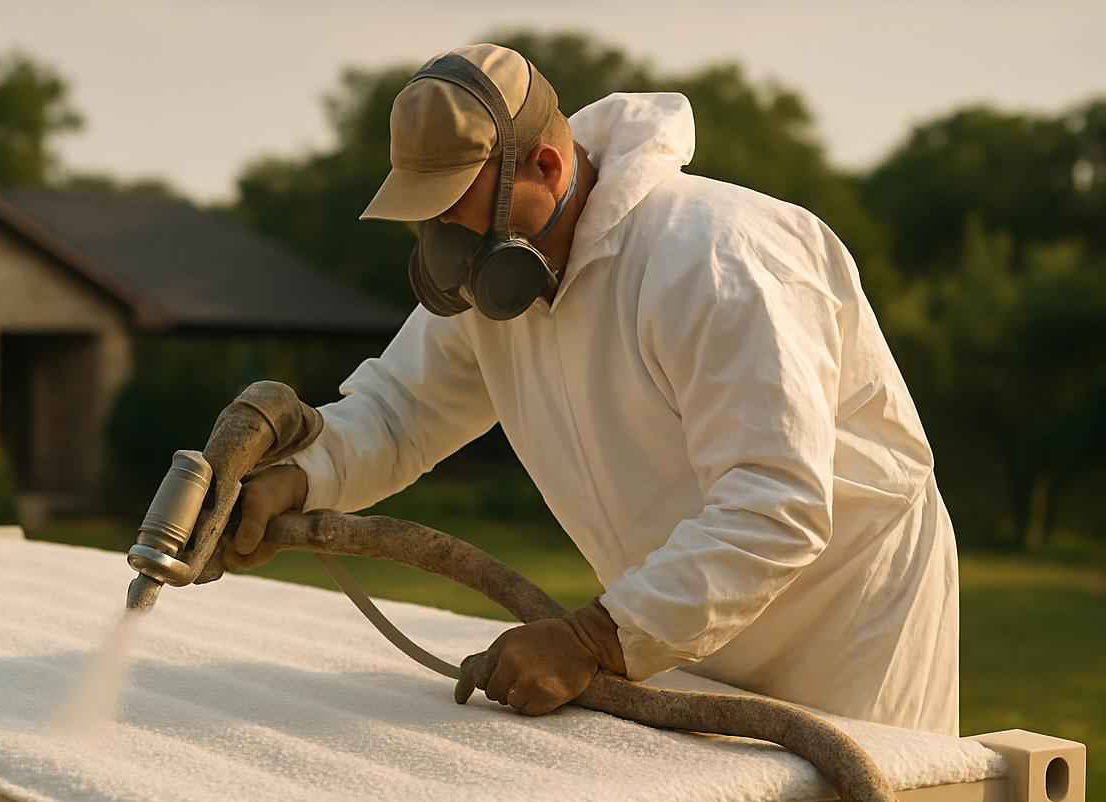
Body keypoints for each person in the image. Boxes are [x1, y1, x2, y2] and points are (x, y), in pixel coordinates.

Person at [227, 43, 960, 735]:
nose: (446, 245)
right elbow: (400, 413)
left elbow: (776, 503)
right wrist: (295, 481)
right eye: (430, 218)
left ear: (546, 165)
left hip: (845, 632)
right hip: (678, 616)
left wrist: (595, 638)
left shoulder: (716, 257)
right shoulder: (498, 280)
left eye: (459, 209)